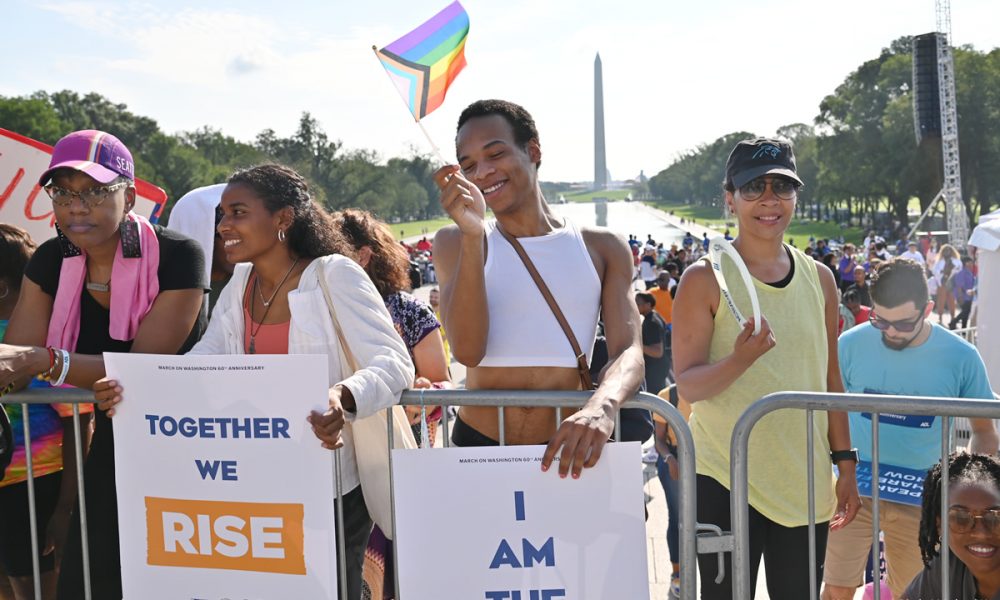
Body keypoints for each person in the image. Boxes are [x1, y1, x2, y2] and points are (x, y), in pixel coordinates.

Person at [94, 164, 414, 600]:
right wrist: (138, 391)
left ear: (283, 219)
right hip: (262, 481)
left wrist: (343, 396)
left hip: (331, 485)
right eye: (222, 214)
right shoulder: (242, 282)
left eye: (238, 212)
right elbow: (205, 359)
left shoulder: (333, 274)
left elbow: (394, 361)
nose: (224, 225)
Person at [0, 130, 207, 600]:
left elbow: (140, 369)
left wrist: (45, 361)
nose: (76, 206)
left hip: (187, 438)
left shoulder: (179, 256)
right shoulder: (51, 257)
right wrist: (30, 362)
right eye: (63, 193)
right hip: (113, 437)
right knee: (92, 578)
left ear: (130, 196)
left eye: (95, 191)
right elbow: (16, 354)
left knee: (173, 578)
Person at [672, 137, 860, 599]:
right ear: (730, 199)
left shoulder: (820, 278)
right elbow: (690, 385)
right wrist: (741, 359)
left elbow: (829, 379)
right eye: (754, 187)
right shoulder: (703, 278)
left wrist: (847, 465)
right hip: (723, 478)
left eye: (783, 186)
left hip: (804, 481)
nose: (769, 199)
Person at [432, 99, 644, 478]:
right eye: (468, 166)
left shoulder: (603, 247)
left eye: (495, 154)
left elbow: (629, 350)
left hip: (572, 449)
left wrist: (603, 406)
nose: (483, 172)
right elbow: (467, 350)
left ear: (533, 150)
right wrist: (471, 235)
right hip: (478, 449)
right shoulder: (454, 243)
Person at [822, 259, 998, 600]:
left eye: (902, 323)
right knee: (837, 588)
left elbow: (984, 430)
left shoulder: (961, 356)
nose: (890, 331)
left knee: (914, 593)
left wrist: (966, 485)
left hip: (921, 495)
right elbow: (828, 412)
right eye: (880, 320)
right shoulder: (851, 344)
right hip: (852, 488)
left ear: (928, 309)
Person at [333, 208, 450, 600]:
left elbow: (442, 383)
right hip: (341, 459)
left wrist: (420, 396)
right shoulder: (322, 305)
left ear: (364, 256)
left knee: (399, 558)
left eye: (335, 249)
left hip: (399, 455)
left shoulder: (408, 309)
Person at [0, 224, 57, 600]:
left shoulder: (44, 338)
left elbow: (79, 418)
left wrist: (66, 505)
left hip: (32, 483)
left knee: (31, 586)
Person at [902, 453, 1000, 600]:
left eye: (995, 517)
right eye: (961, 518)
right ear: (939, 524)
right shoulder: (949, 564)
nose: (980, 533)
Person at [636, 292, 669, 394]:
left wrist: (637, 345)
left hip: (655, 370)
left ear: (648, 304)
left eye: (638, 303)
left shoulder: (651, 322)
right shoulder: (655, 316)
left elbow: (657, 352)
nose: (635, 305)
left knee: (656, 401)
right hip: (659, 368)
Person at [950, 256, 976, 330]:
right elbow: (959, 286)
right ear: (966, 263)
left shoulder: (969, 272)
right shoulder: (962, 272)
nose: (972, 264)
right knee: (966, 311)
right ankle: (954, 322)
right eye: (971, 262)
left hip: (969, 296)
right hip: (963, 296)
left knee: (966, 313)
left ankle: (963, 329)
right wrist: (960, 296)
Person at [427, 287, 451, 364]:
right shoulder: (427, 313)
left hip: (443, 358)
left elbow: (446, 335)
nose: (433, 299)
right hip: (429, 357)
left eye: (436, 297)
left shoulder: (444, 314)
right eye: (431, 297)